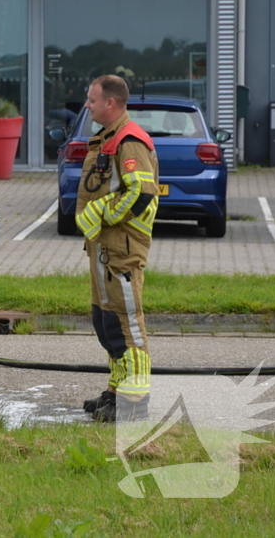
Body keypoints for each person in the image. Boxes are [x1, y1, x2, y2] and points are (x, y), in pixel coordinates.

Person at [76, 74, 159, 423]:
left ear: (111, 103)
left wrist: (101, 213)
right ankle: (117, 391)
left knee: (127, 326)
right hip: (104, 248)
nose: (87, 105)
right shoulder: (108, 139)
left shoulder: (129, 141)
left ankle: (134, 402)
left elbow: (141, 193)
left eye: (92, 100)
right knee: (106, 323)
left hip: (121, 250)